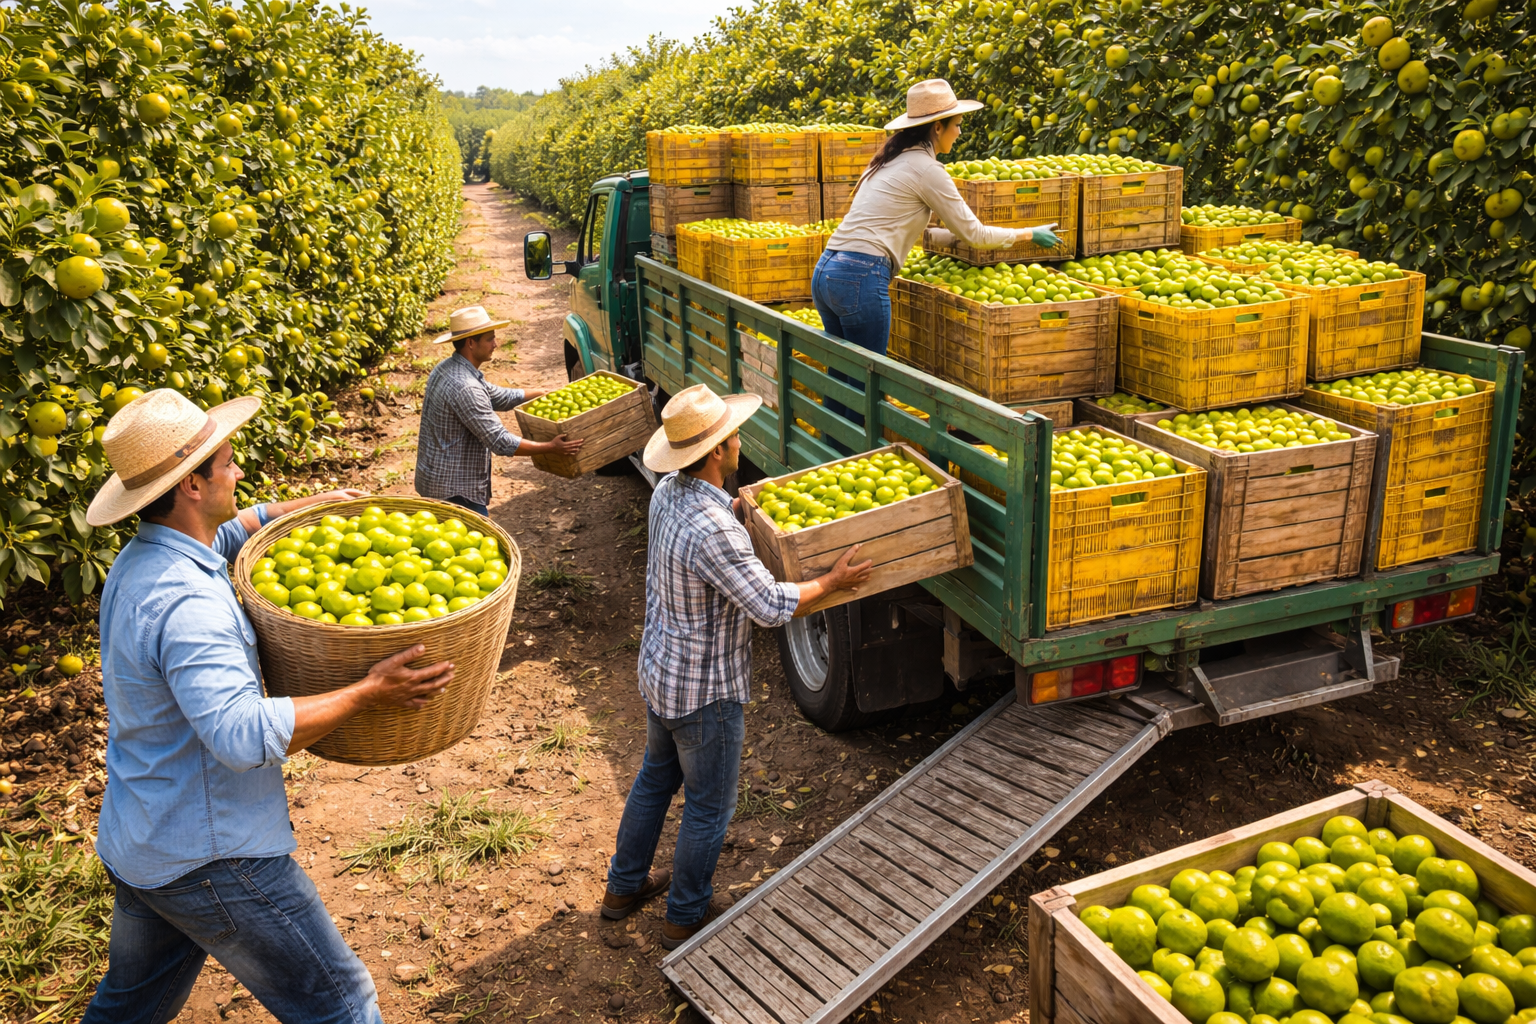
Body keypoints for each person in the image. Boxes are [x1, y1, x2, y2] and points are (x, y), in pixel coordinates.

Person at [81, 388, 457, 1024]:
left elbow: (235, 528)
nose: (238, 471)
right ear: (192, 486)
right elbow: (241, 736)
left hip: (142, 837)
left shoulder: (144, 559)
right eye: (226, 462)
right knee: (341, 1004)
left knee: (132, 1007)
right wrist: (370, 692)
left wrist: (313, 505)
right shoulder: (189, 606)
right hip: (212, 858)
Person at [601, 384, 874, 949]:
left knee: (656, 778)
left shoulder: (667, 493)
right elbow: (771, 607)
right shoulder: (717, 531)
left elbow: (707, 540)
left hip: (661, 672)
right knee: (708, 806)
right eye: (733, 435)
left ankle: (622, 889)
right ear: (720, 449)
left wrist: (736, 508)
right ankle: (685, 916)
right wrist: (833, 582)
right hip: (704, 692)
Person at [812, 79, 1061, 431]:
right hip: (860, 277)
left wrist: (952, 241)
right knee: (868, 384)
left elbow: (911, 229)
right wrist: (1028, 234)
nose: (959, 132)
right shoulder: (928, 170)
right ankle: (853, 456)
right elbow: (976, 233)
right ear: (937, 127)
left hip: (828, 271)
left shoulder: (888, 163)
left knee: (842, 379)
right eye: (956, 125)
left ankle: (828, 453)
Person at [415, 304, 584, 517]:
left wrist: (541, 392)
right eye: (490, 339)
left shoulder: (447, 368)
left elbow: (495, 395)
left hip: (435, 479)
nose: (495, 344)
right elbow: (500, 441)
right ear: (470, 343)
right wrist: (550, 447)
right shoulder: (466, 387)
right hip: (455, 492)